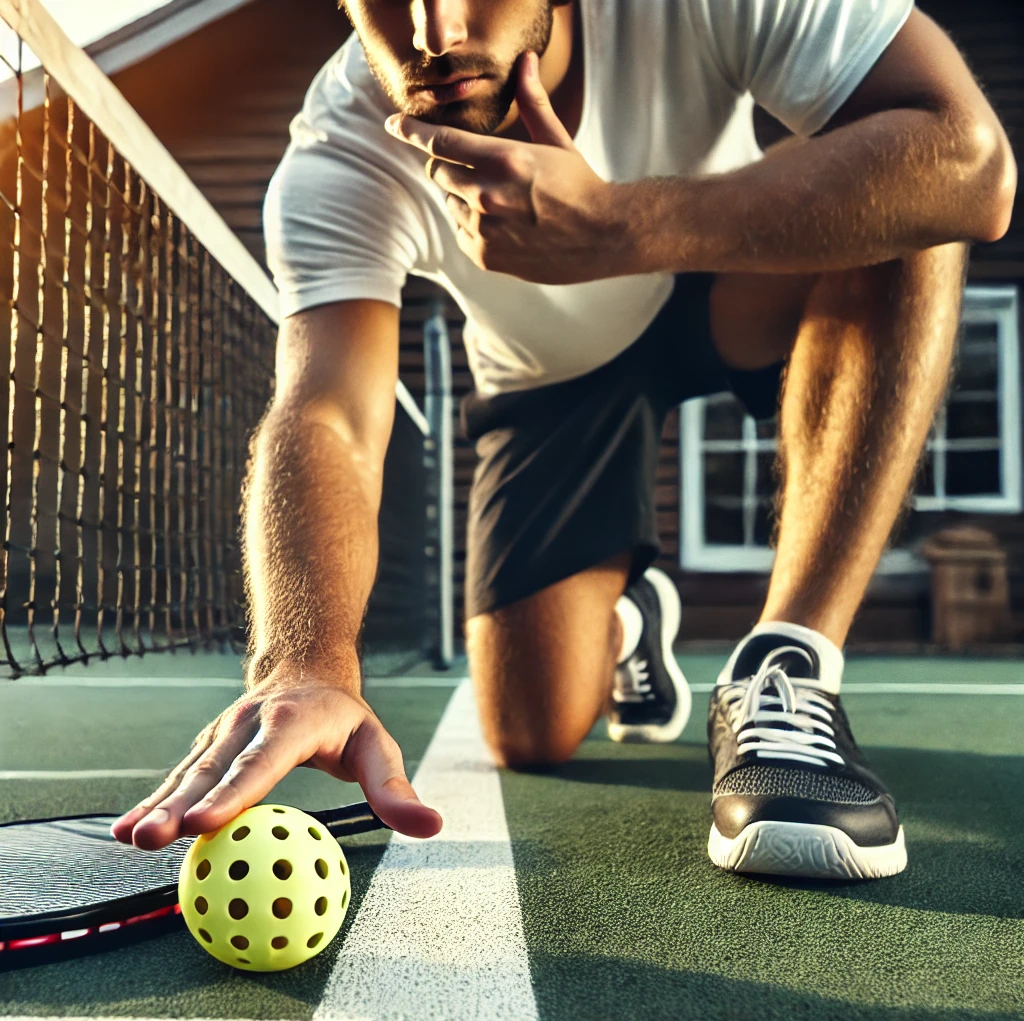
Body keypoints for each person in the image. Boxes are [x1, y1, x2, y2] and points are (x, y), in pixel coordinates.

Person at [112, 0, 1015, 879]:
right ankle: (631, 616)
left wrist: (624, 225)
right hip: (551, 378)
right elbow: (329, 413)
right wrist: (302, 660)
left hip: (725, 274)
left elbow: (971, 163)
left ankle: (791, 660)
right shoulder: (341, 149)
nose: (437, 31)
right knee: (532, 732)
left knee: (911, 192)